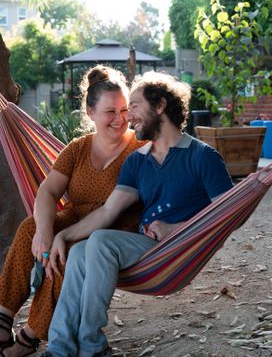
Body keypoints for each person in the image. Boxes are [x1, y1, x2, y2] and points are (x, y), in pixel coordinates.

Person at [41, 71, 234, 357]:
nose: (127, 118)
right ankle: (59, 349)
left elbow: (229, 214)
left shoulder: (202, 157)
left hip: (178, 249)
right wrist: (62, 235)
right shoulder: (137, 162)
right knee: (81, 250)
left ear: (159, 107)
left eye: (133, 106)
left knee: (100, 242)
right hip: (148, 250)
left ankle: (91, 345)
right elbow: (108, 211)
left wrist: (175, 229)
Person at [0, 65, 147, 357]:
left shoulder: (140, 149)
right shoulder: (78, 148)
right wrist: (44, 231)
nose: (120, 119)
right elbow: (47, 191)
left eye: (124, 110)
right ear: (91, 113)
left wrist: (59, 237)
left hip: (111, 229)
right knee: (30, 227)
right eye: (110, 112)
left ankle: (30, 336)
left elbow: (116, 208)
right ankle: (3, 319)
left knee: (65, 252)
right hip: (74, 216)